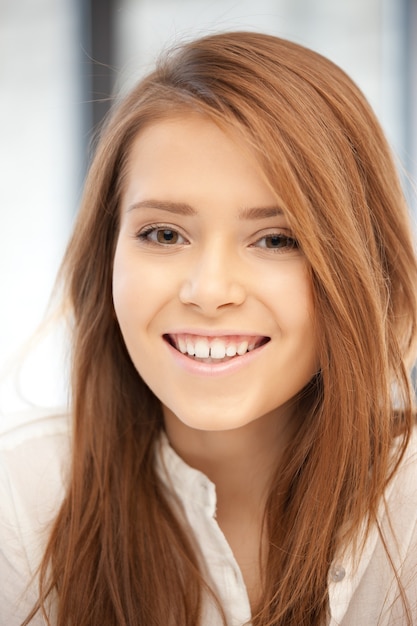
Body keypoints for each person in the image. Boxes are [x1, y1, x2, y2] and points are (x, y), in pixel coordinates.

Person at [1, 31, 417, 626]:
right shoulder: (19, 499)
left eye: (276, 239)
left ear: (362, 265)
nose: (209, 291)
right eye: (164, 234)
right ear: (107, 257)